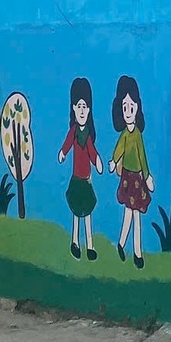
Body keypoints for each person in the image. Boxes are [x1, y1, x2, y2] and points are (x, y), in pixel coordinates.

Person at [107, 75, 153, 268]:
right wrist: (113, 161)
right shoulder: (125, 134)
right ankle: (122, 244)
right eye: (124, 108)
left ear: (137, 108)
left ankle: (137, 252)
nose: (128, 112)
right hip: (127, 177)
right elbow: (119, 149)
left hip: (137, 179)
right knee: (129, 213)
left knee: (136, 215)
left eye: (131, 107)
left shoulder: (138, 135)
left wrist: (147, 176)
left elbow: (142, 157)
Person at [57, 76, 101, 261]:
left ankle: (90, 245)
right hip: (76, 179)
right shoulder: (74, 131)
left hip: (86, 180)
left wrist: (97, 161)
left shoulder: (87, 135)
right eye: (79, 106)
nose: (82, 110)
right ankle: (75, 242)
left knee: (88, 212)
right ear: (73, 108)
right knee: (76, 212)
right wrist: (62, 152)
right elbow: (67, 144)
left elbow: (92, 151)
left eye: (85, 106)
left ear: (89, 110)